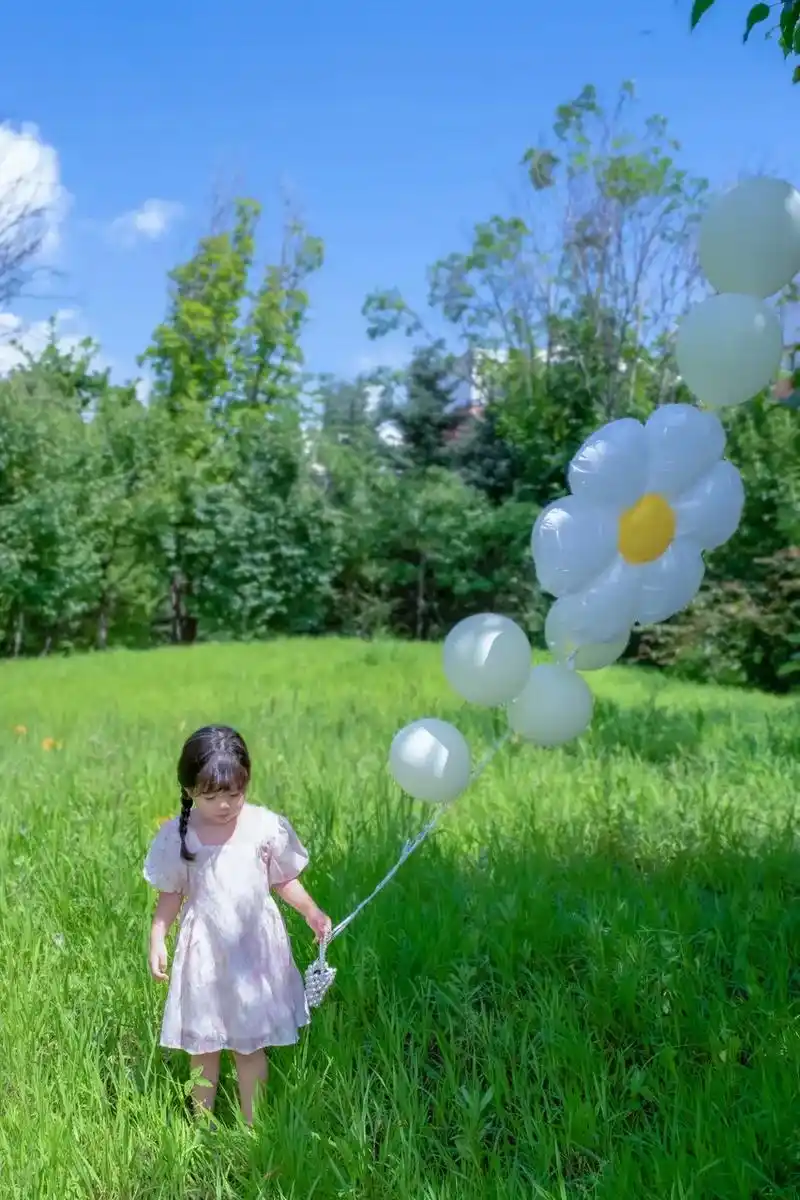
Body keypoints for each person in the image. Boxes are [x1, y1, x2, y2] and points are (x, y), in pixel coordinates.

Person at [142, 724, 332, 1125]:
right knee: (204, 1044)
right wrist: (158, 935)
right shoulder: (182, 835)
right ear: (191, 790)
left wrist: (311, 911)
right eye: (211, 796)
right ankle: (201, 1123)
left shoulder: (263, 827)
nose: (225, 805)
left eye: (234, 793)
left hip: (253, 952)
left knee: (250, 1046)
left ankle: (252, 1125)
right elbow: (171, 896)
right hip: (205, 952)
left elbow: (283, 879)